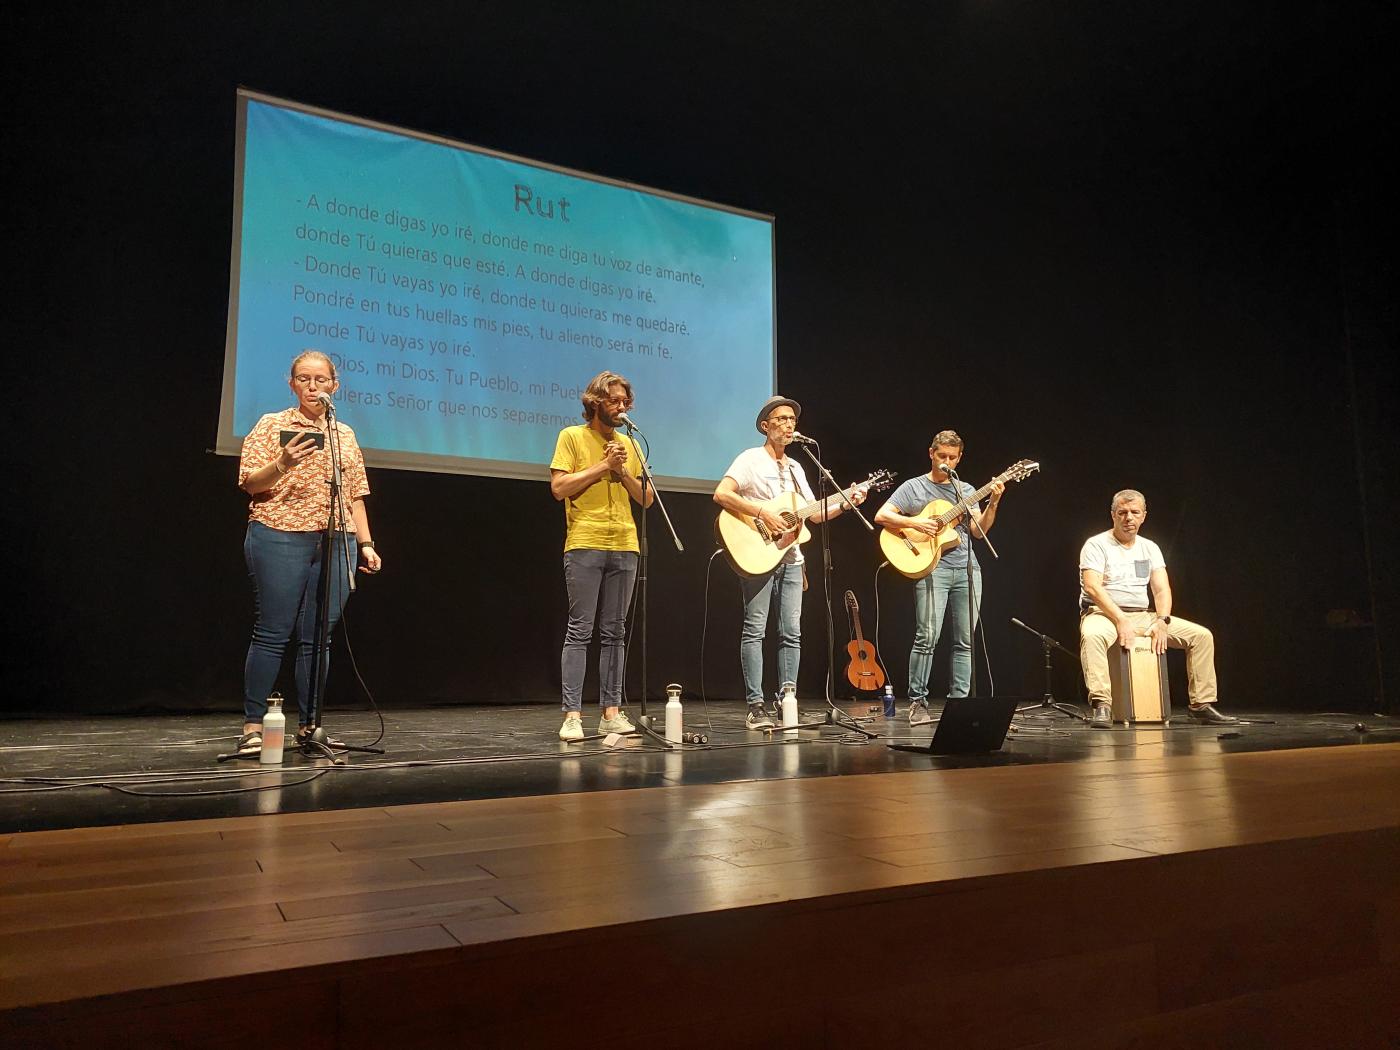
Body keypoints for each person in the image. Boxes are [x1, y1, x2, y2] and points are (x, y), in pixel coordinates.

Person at [236, 349, 382, 755]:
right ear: (292, 384)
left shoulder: (344, 433)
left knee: (318, 637)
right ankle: (253, 726)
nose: (313, 386)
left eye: (321, 380)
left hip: (337, 539)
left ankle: (310, 726)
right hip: (280, 533)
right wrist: (282, 463)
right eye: (304, 379)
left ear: (335, 385)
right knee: (273, 631)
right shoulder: (272, 424)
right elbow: (250, 483)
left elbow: (355, 494)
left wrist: (366, 543)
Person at [713, 395, 865, 730]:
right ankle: (756, 706)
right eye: (781, 419)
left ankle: (788, 701)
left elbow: (816, 513)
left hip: (793, 558)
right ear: (765, 426)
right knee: (755, 629)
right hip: (758, 553)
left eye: (792, 420)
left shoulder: (796, 468)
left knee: (791, 632)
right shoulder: (750, 459)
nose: (788, 424)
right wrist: (763, 511)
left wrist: (846, 501)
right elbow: (722, 494)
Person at [549, 371, 653, 741]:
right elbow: (559, 488)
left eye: (625, 402)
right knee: (580, 630)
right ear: (595, 402)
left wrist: (622, 471)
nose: (621, 407)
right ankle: (572, 715)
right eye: (614, 401)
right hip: (585, 542)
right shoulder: (572, 436)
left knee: (615, 632)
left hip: (625, 544)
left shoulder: (631, 445)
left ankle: (611, 712)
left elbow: (646, 498)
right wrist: (603, 467)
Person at [874, 430, 1004, 725]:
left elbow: (978, 531)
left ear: (959, 458)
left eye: (952, 457)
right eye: (942, 456)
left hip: (967, 569)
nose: (946, 461)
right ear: (931, 454)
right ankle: (917, 702)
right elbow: (882, 516)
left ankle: (959, 704)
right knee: (927, 637)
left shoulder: (965, 490)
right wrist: (917, 522)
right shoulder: (914, 487)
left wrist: (994, 502)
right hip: (933, 568)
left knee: (965, 641)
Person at [1078, 489, 1237, 728]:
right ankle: (1102, 705)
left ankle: (1200, 705)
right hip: (1104, 613)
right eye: (1122, 512)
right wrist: (1120, 619)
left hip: (1142, 615)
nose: (1128, 518)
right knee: (1093, 636)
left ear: (1144, 516)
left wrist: (1162, 620)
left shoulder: (1149, 547)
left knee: (1201, 636)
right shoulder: (1096, 544)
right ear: (1113, 515)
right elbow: (1092, 587)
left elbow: (1161, 590)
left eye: (1134, 512)